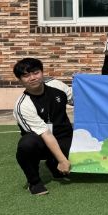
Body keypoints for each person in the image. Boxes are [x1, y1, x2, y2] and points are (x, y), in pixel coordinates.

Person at [12, 58, 73, 196]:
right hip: (42, 142)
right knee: (27, 145)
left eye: (36, 73)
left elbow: (80, 100)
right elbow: (46, 134)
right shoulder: (23, 105)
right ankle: (34, 182)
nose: (32, 78)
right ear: (20, 80)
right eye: (26, 75)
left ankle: (53, 163)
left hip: (64, 136)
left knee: (87, 139)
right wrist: (63, 160)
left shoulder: (56, 85)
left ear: (42, 72)